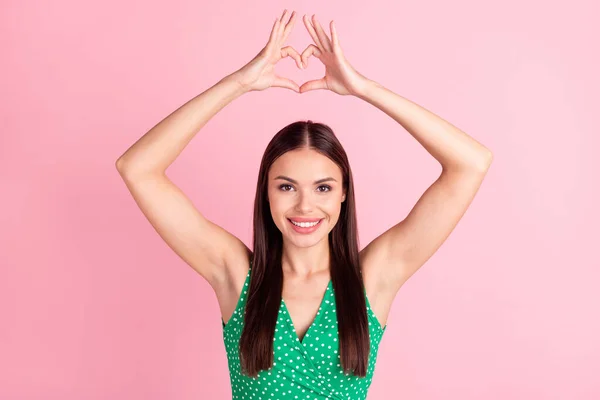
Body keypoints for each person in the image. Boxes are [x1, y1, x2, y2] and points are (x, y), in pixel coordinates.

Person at [116, 9, 493, 400]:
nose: (305, 206)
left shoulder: (375, 277)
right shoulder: (235, 274)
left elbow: (471, 164)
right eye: (286, 187)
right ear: (266, 191)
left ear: (345, 193)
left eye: (324, 188)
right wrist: (239, 83)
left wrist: (364, 88)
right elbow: (137, 168)